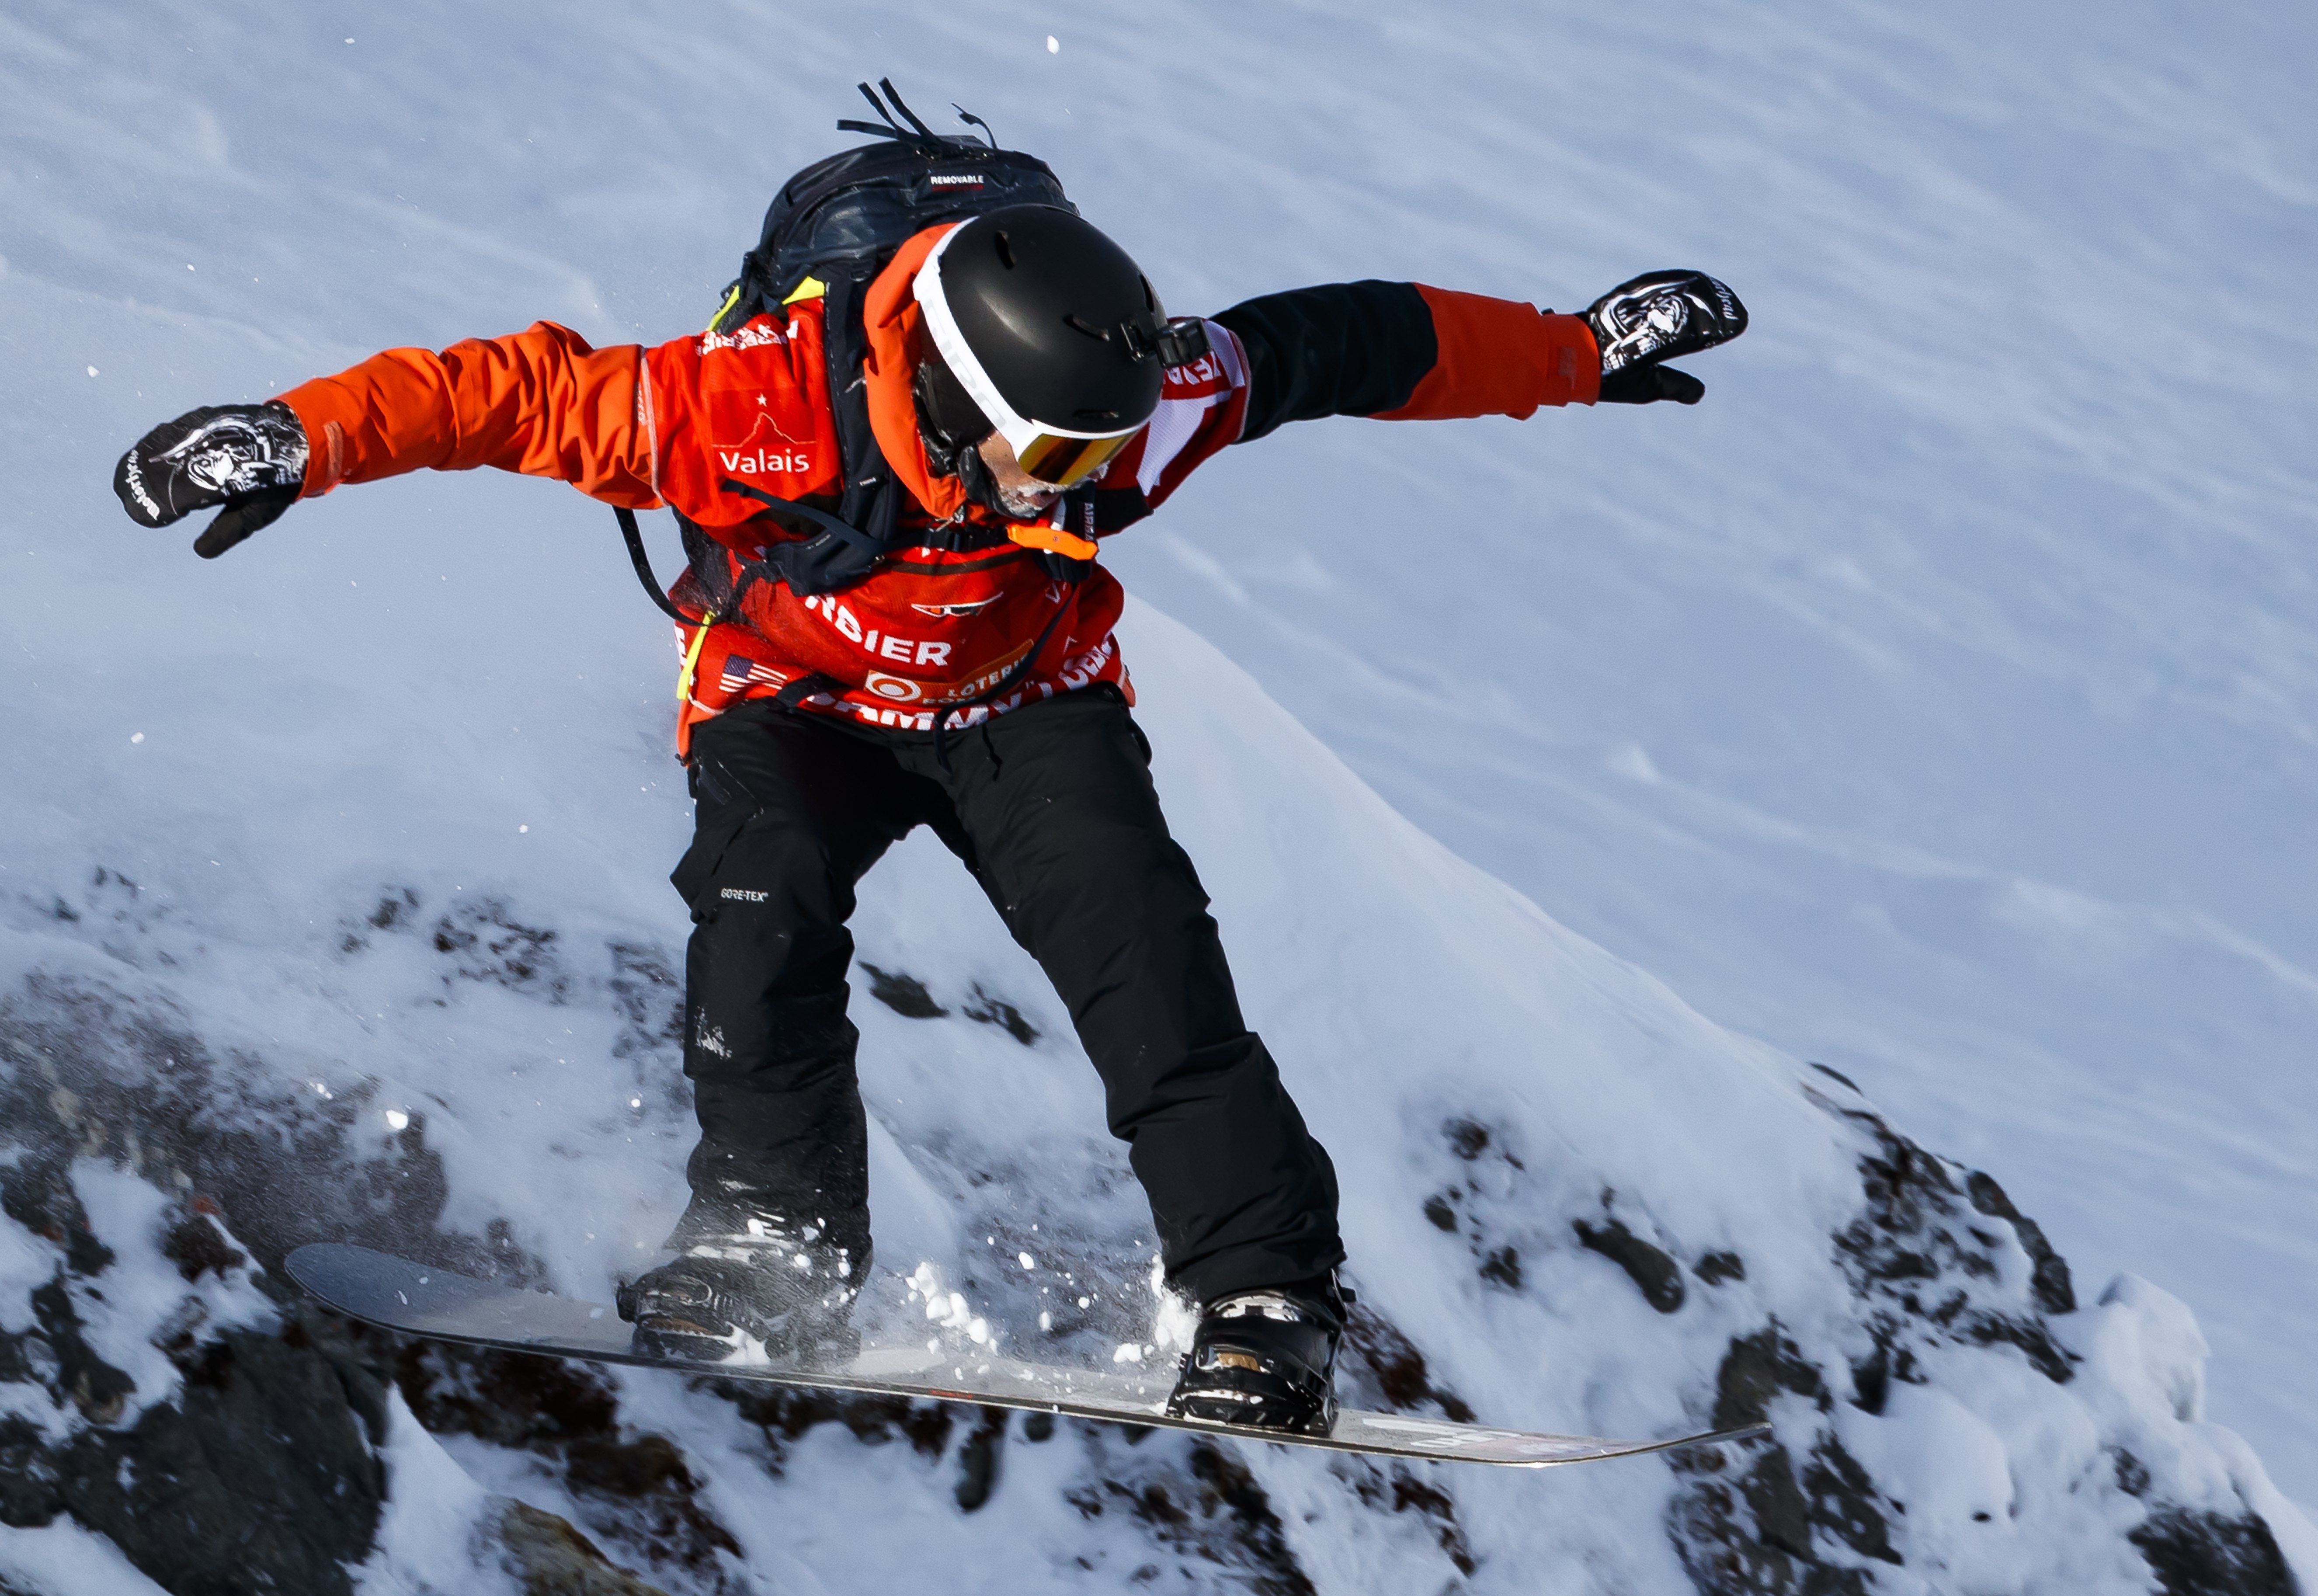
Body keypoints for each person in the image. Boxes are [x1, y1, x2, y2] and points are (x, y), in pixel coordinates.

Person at [113, 173, 1745, 1434]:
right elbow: (506, 392)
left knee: (1151, 971)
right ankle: (773, 1243)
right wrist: (291, 437)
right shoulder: (743, 401)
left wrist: (1580, 352)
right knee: (758, 940)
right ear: (954, 401)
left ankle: (1257, 1298)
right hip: (791, 701)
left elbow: (1350, 342)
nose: (1084, 487)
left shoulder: (1135, 409)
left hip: (1019, 703)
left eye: (1101, 455)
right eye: (1048, 457)